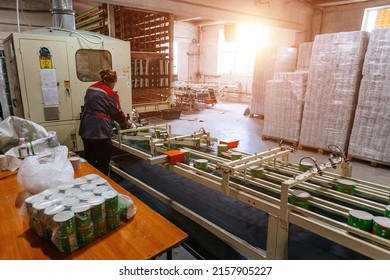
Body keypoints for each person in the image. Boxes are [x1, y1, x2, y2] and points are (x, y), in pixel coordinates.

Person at [79, 69, 132, 175]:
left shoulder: (91, 88)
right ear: (111, 82)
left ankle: (91, 180)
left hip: (86, 127)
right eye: (114, 84)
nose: (113, 86)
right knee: (103, 161)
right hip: (100, 131)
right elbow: (116, 112)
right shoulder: (110, 93)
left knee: (91, 160)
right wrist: (125, 124)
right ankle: (103, 183)